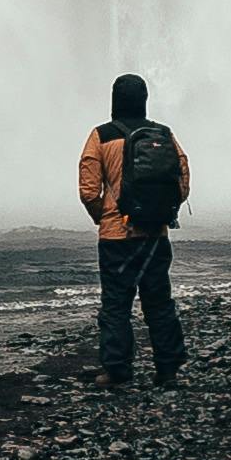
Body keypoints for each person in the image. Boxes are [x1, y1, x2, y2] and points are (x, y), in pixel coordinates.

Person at [79, 70, 189, 388]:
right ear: (144, 101)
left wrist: (105, 217)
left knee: (116, 304)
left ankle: (118, 372)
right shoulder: (164, 134)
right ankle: (168, 370)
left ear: (114, 101)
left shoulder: (100, 136)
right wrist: (163, 212)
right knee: (159, 302)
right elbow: (182, 180)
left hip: (117, 238)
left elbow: (88, 190)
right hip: (156, 235)